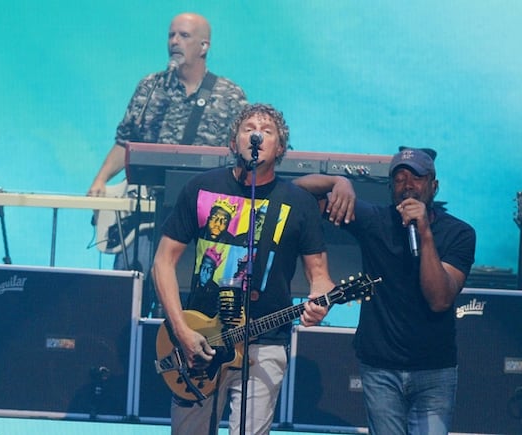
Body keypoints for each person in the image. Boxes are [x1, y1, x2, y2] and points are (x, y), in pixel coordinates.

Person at [151, 103, 334, 434]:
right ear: (234, 142)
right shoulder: (201, 188)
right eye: (248, 127)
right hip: (201, 339)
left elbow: (319, 276)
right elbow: (163, 261)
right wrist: (181, 330)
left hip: (265, 341)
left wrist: (321, 301)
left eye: (267, 131)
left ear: (280, 148)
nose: (257, 134)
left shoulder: (298, 203)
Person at [294, 147, 476, 435]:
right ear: (391, 187)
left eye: (416, 177)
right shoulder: (375, 220)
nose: (408, 185)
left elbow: (440, 299)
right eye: (400, 178)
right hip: (380, 367)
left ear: (434, 186)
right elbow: (296, 192)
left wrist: (425, 232)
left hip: (434, 370)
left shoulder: (459, 234)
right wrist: (338, 182)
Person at [87, 12, 248, 314]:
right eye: (171, 35)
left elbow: (241, 157)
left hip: (197, 223)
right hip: (145, 217)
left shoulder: (229, 95)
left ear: (204, 46)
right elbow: (126, 142)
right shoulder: (150, 88)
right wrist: (100, 181)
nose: (175, 41)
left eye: (184, 36)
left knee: (186, 306)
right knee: (125, 301)